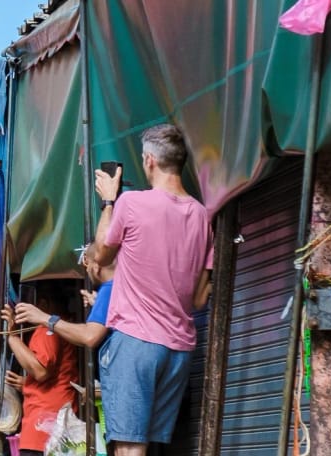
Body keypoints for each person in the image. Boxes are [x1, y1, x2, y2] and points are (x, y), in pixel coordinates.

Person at [83, 124, 213, 455]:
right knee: (150, 446)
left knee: (129, 448)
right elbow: (199, 299)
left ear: (149, 160)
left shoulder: (131, 203)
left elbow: (100, 255)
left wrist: (109, 201)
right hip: (178, 350)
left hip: (136, 342)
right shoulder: (201, 216)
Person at [2, 300, 79, 456]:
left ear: (43, 302)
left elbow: (40, 371)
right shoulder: (63, 327)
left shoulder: (48, 328)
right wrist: (27, 384)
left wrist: (12, 336)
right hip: (53, 425)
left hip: (44, 428)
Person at [13, 247, 119, 349]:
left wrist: (43, 318)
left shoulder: (108, 289)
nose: (87, 269)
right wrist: (98, 305)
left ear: (96, 266)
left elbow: (90, 337)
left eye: (87, 263)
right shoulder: (117, 288)